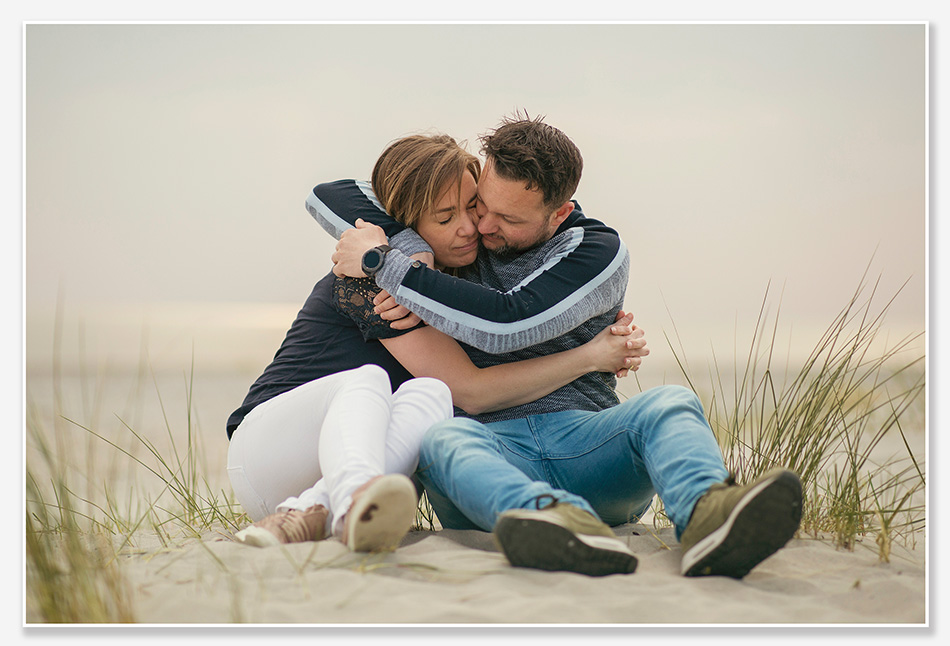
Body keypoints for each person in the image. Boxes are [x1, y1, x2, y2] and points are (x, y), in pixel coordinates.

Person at [320, 114, 803, 578]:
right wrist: (403, 243)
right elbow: (332, 194)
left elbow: (507, 322)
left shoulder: (595, 252)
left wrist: (390, 268)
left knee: (671, 402)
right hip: (490, 455)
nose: (481, 226)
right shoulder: (460, 239)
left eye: (507, 218)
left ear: (560, 213)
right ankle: (553, 524)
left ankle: (709, 518)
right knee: (441, 438)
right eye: (480, 204)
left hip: (587, 446)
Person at [226, 133, 646, 554]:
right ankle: (345, 500)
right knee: (368, 381)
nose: (473, 227)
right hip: (267, 453)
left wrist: (598, 342)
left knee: (431, 398)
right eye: (445, 219)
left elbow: (503, 333)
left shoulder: (451, 288)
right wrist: (590, 357)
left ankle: (318, 510)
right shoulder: (373, 281)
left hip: (345, 470)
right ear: (409, 224)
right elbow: (475, 391)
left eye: (473, 206)